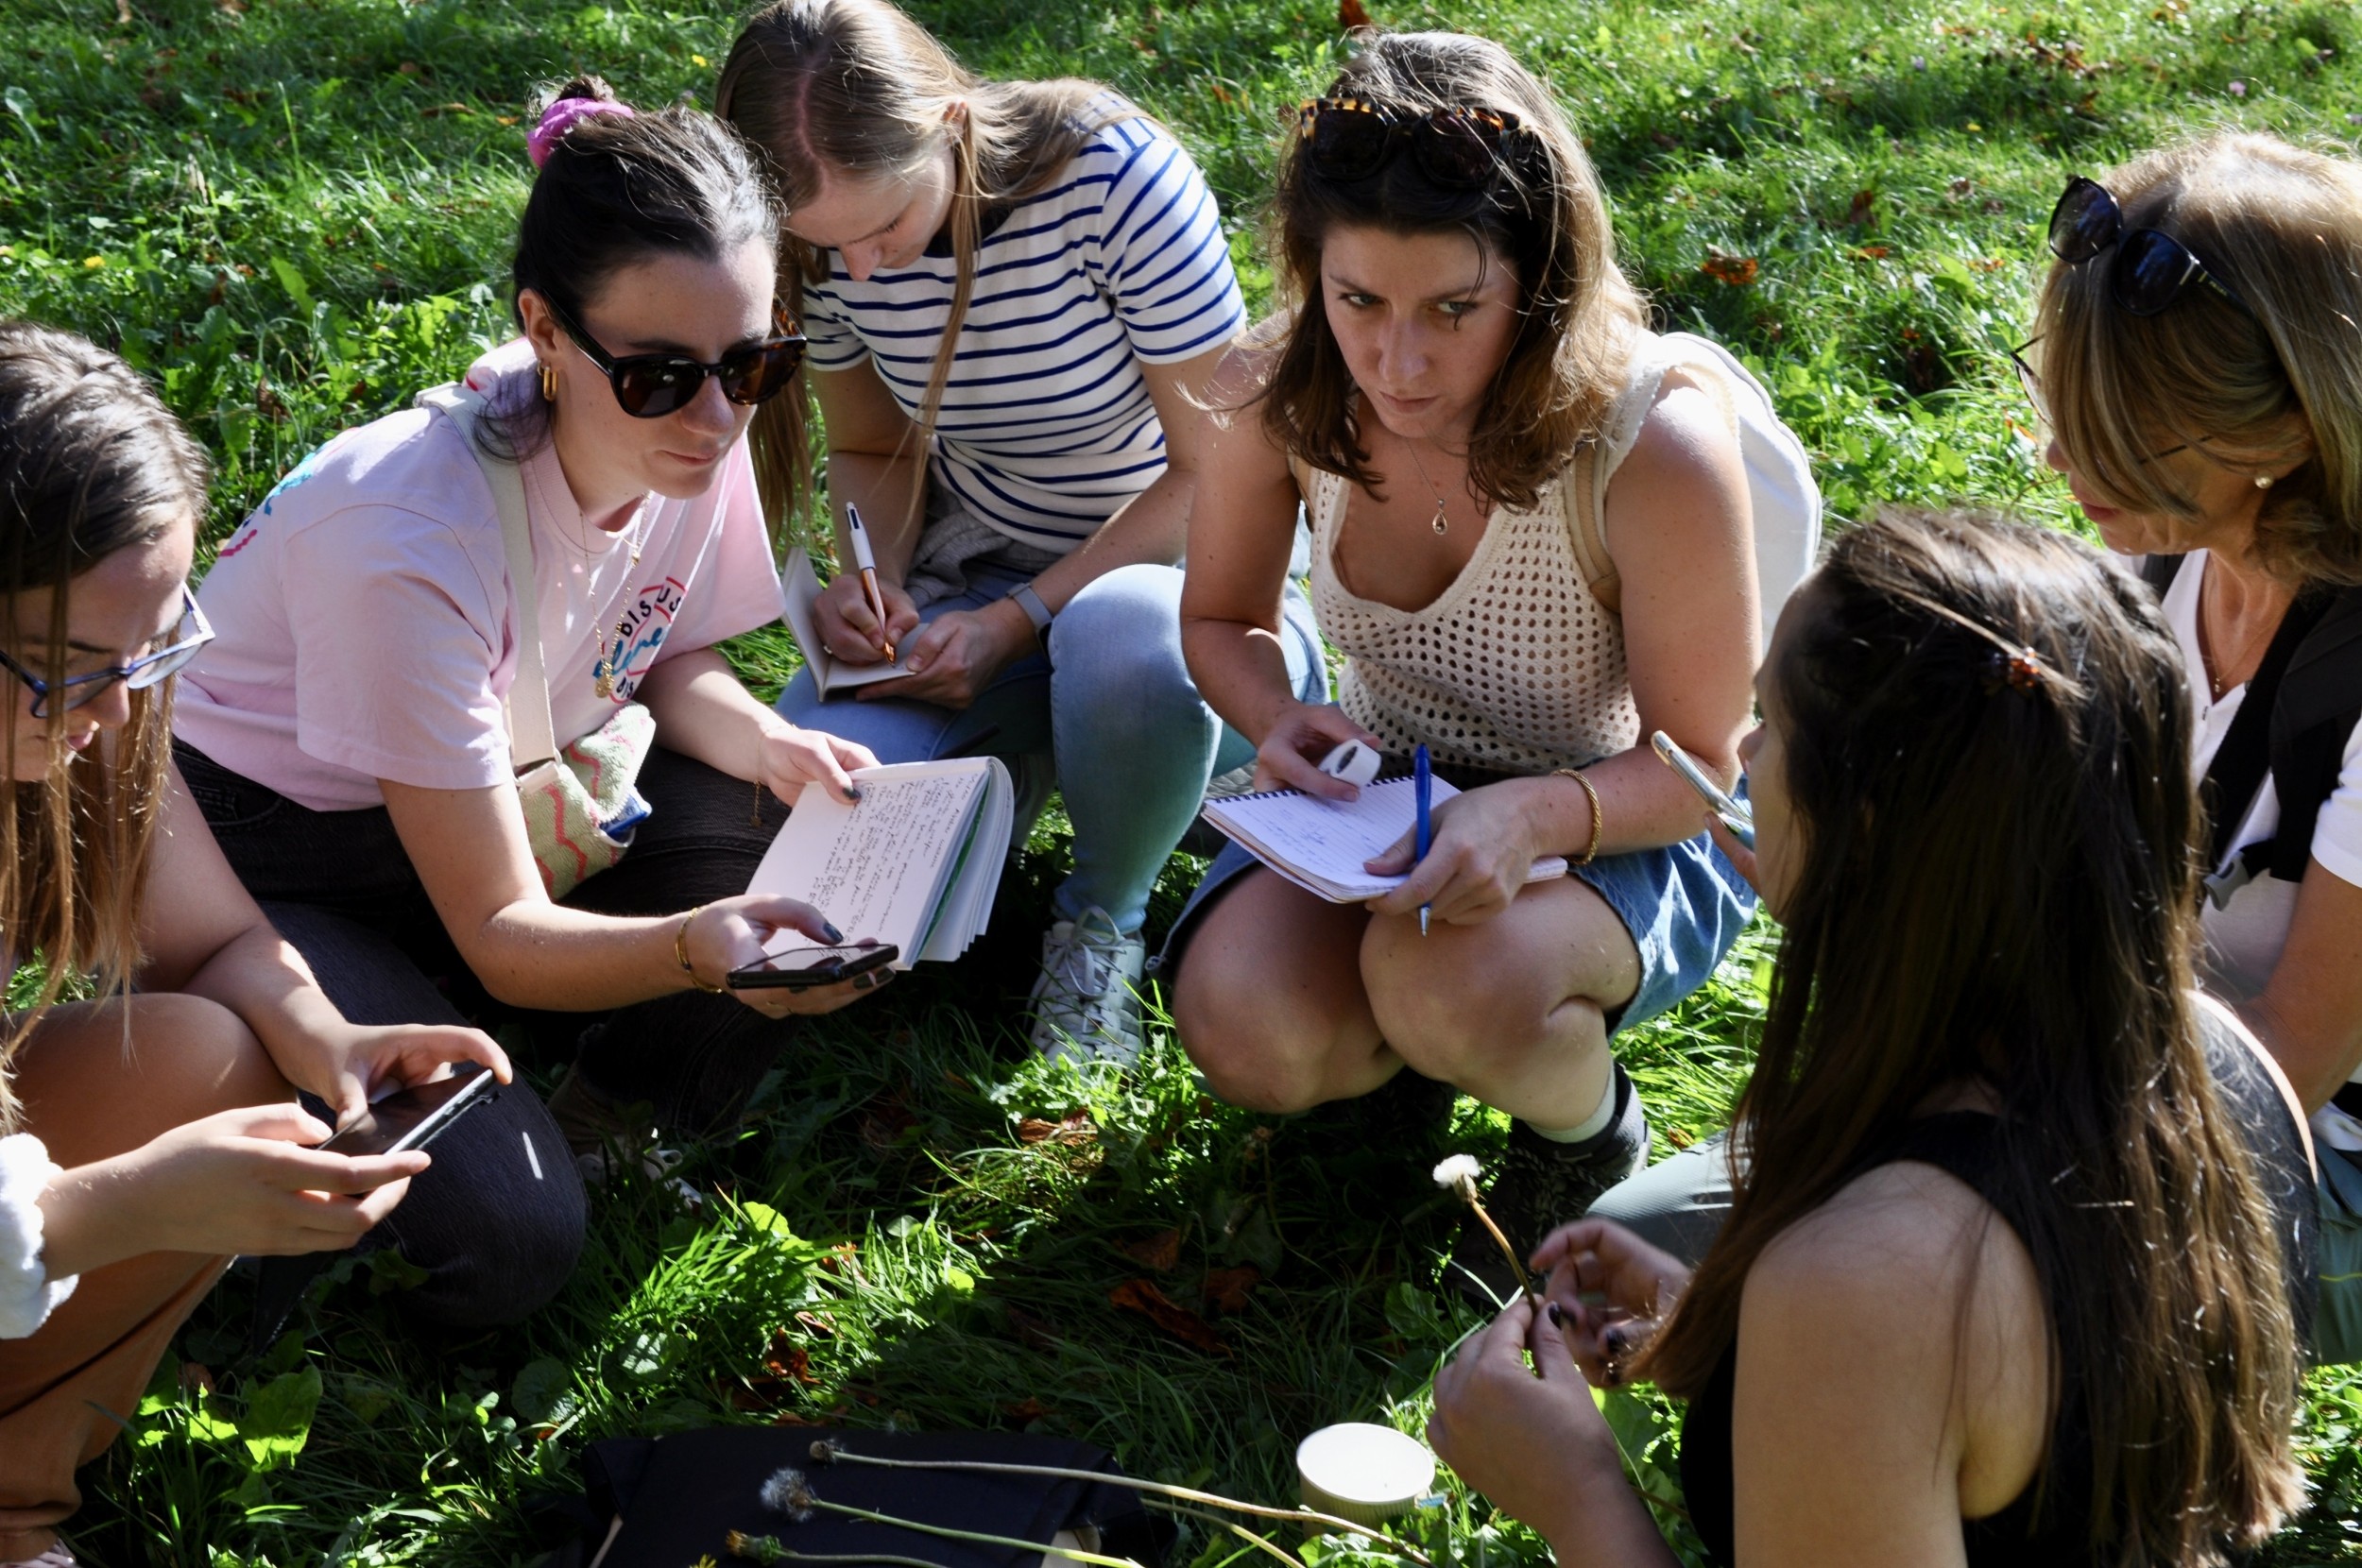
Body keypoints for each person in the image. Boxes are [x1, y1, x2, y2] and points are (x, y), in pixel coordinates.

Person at [1595, 131, 2362, 1365]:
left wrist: (1944, 1154)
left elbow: (2285, 1071)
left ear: (2278, 435)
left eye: (2117, 437)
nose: (2061, 463)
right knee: (1662, 1241)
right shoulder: (2159, 549)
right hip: (2105, 1041)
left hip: (2299, 1141)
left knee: (1851, 1301)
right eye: (2062, 406)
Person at [1429, 507, 2317, 1567]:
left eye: (1769, 722)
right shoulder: (2216, 1074)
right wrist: (1733, 1330)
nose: (1745, 753)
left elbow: (1913, 1320)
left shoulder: (1871, 1286)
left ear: (1860, 825)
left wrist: (1577, 1497)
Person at [171, 79, 881, 1315]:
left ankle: (599, 1094)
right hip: (272, 857)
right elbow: (501, 933)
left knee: (792, 842)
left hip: (487, 793)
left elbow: (665, 653)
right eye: (662, 375)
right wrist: (691, 954)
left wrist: (772, 744)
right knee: (513, 1241)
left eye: (753, 360)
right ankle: (280, 1079)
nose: (717, 418)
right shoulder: (406, 533)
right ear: (545, 331)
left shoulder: (680, 427)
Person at [1167, 30, 1814, 1285]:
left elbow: (1696, 763)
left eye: (1455, 311)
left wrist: (1534, 817)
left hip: (1620, 812)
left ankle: (1581, 1130)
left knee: (1450, 981)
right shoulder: (1280, 392)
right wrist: (1270, 708)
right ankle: (1382, 1098)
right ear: (1312, 274)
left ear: (1540, 282)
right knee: (1241, 1022)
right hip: (1380, 795)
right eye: (1358, 303)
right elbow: (1221, 621)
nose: (1400, 364)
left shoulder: (1650, 443)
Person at [714, 0, 1315, 1062]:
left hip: (1187, 594)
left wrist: (1024, 616)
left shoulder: (1112, 182)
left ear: (949, 124)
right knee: (812, 789)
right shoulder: (826, 234)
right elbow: (867, 444)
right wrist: (877, 575)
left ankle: (1102, 918)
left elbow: (1217, 473)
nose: (861, 272)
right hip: (974, 577)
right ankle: (1032, 779)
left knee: (1122, 644)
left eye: (883, 229)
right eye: (825, 248)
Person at [0, 321, 512, 1565]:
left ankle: (16, 1503)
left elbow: (219, 937)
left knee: (210, 1053)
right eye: (69, 669)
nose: (118, 712)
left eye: (153, 647)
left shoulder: (89, 712)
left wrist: (330, 1043)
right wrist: (118, 1206)